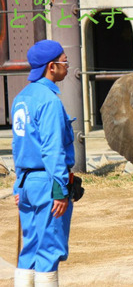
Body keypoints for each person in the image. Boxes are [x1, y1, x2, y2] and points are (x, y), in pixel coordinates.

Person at [12, 40, 75, 287]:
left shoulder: (21, 98)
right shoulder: (49, 101)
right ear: (52, 66)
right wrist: (60, 190)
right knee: (49, 249)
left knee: (30, 248)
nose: (67, 66)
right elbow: (52, 150)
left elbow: (18, 146)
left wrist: (18, 186)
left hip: (27, 182)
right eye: (64, 61)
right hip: (47, 183)